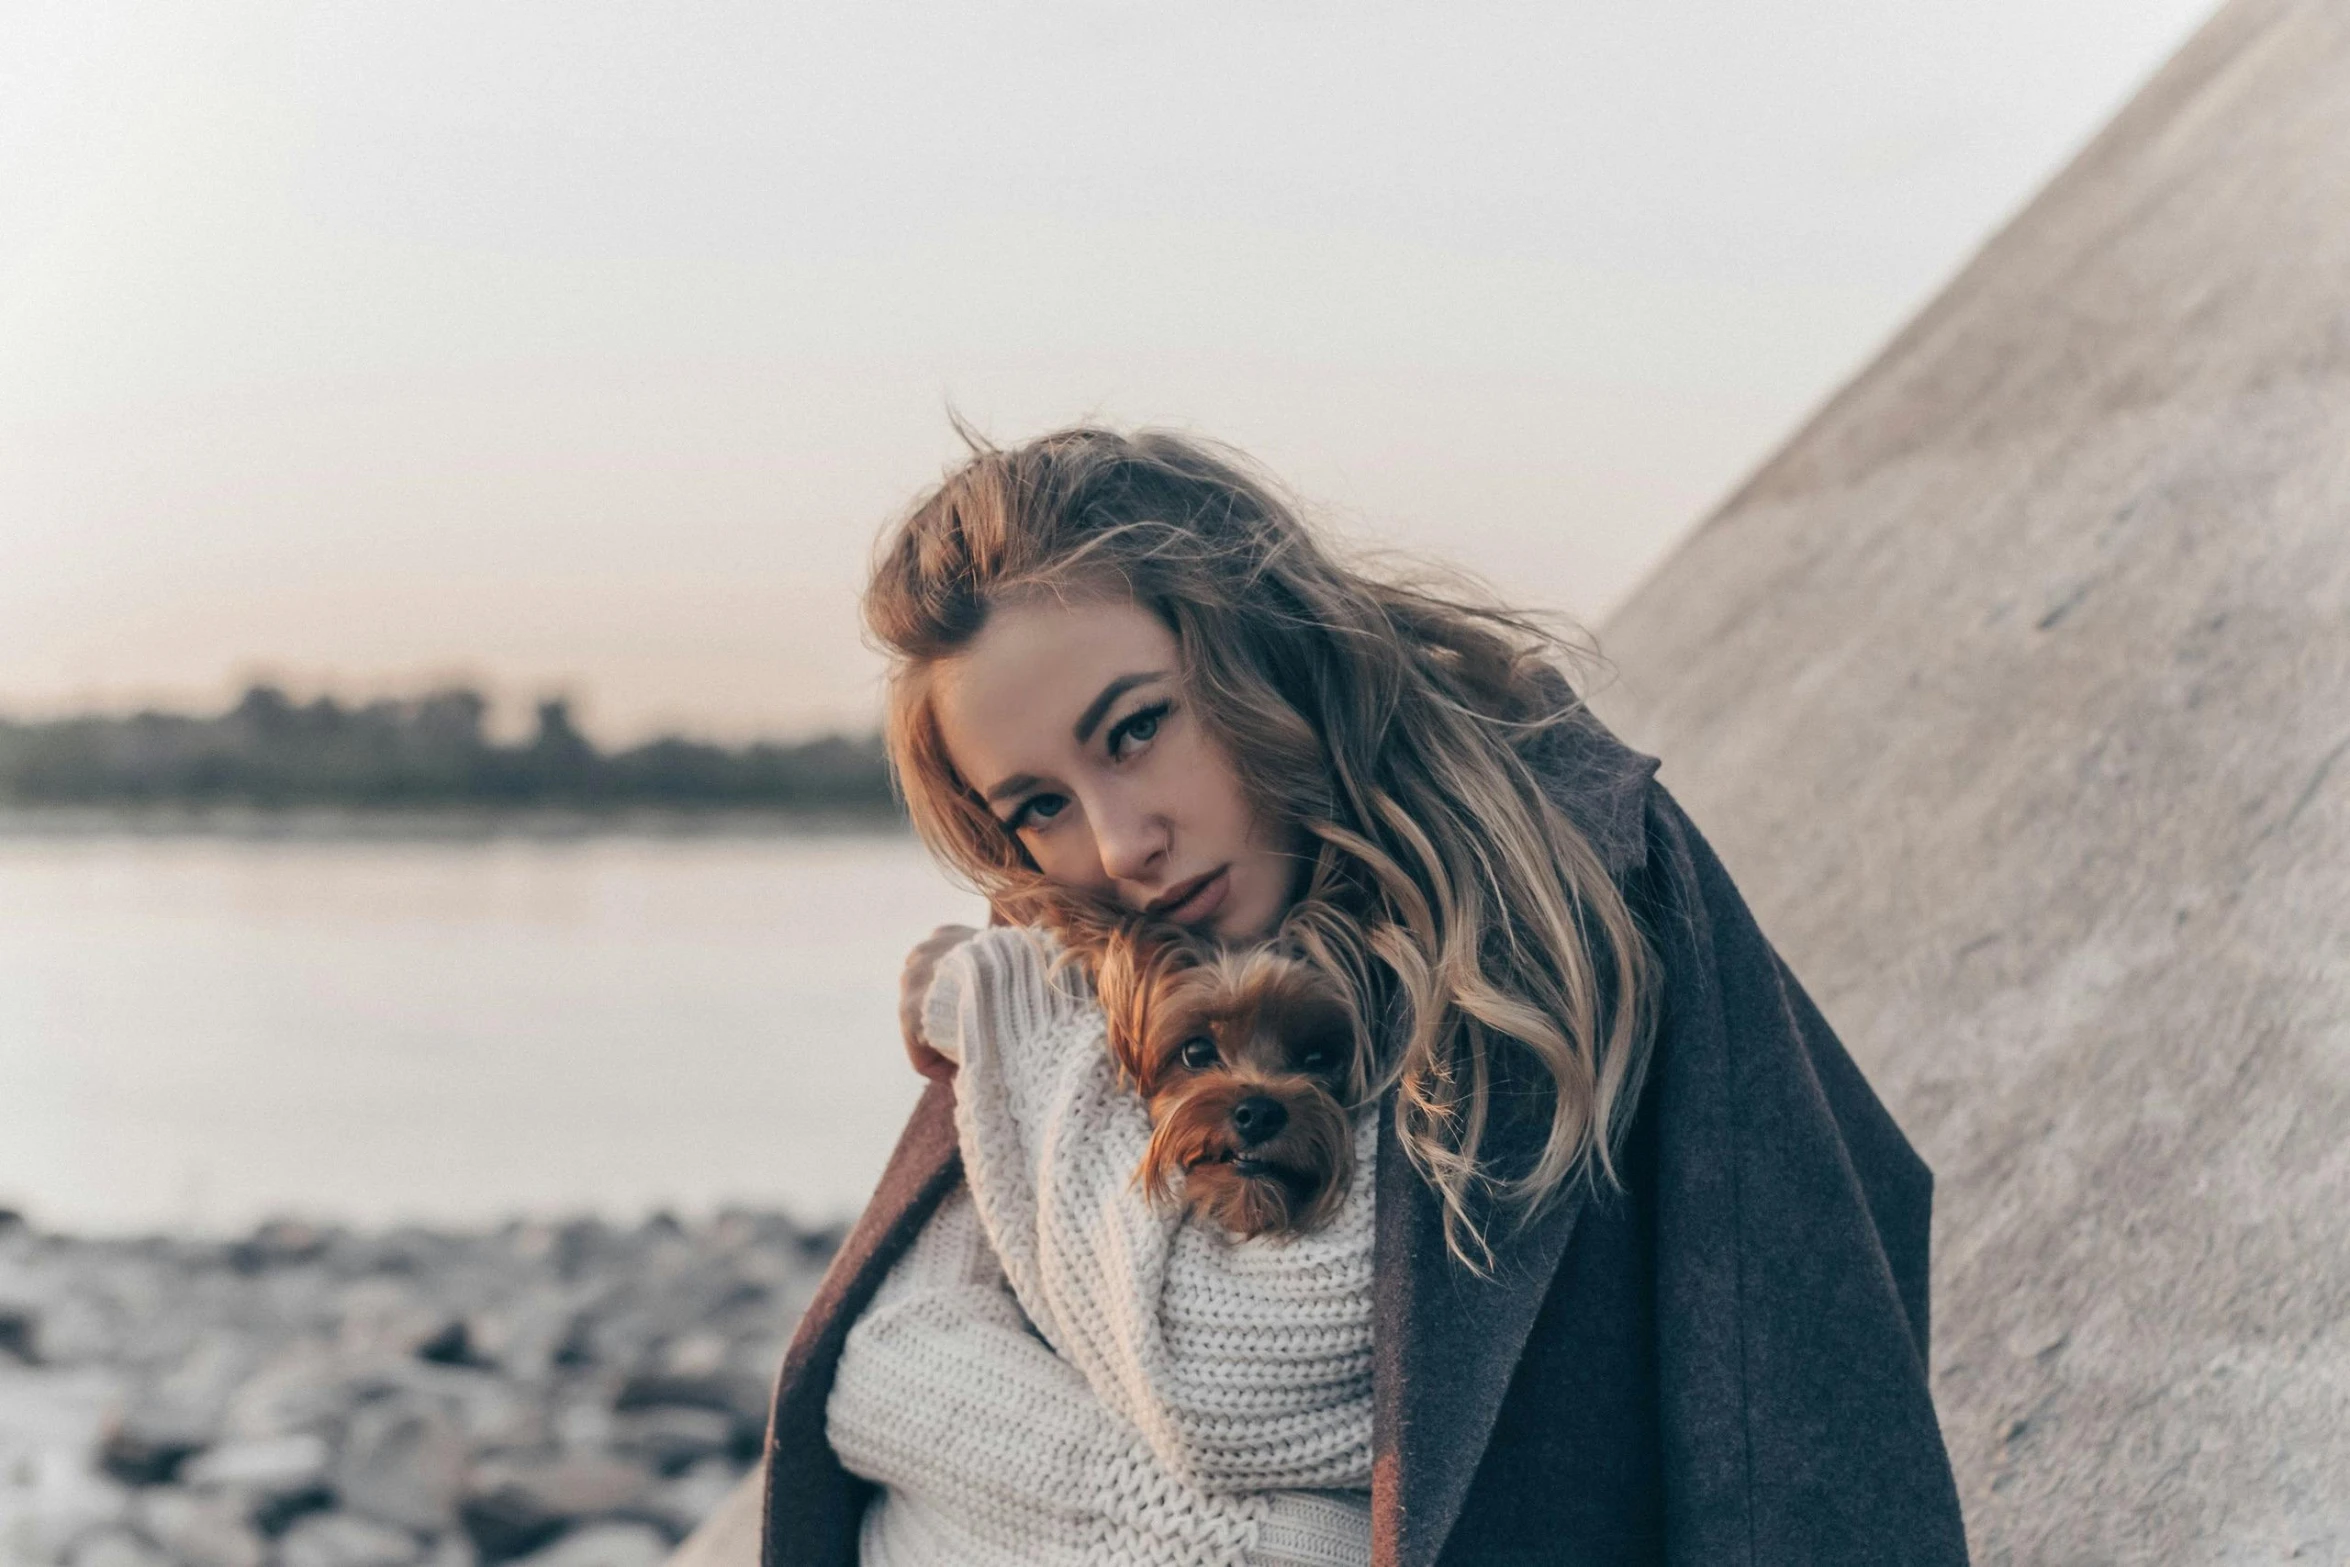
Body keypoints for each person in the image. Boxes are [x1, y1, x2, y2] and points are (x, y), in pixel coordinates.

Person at [762, 428, 1969, 1566]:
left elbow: (1228, 1380)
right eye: (1037, 805)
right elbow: (880, 1365)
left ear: (1258, 648)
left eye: (1135, 729)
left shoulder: (1527, 892)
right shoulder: (1075, 940)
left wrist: (1004, 1035)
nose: (1119, 841)